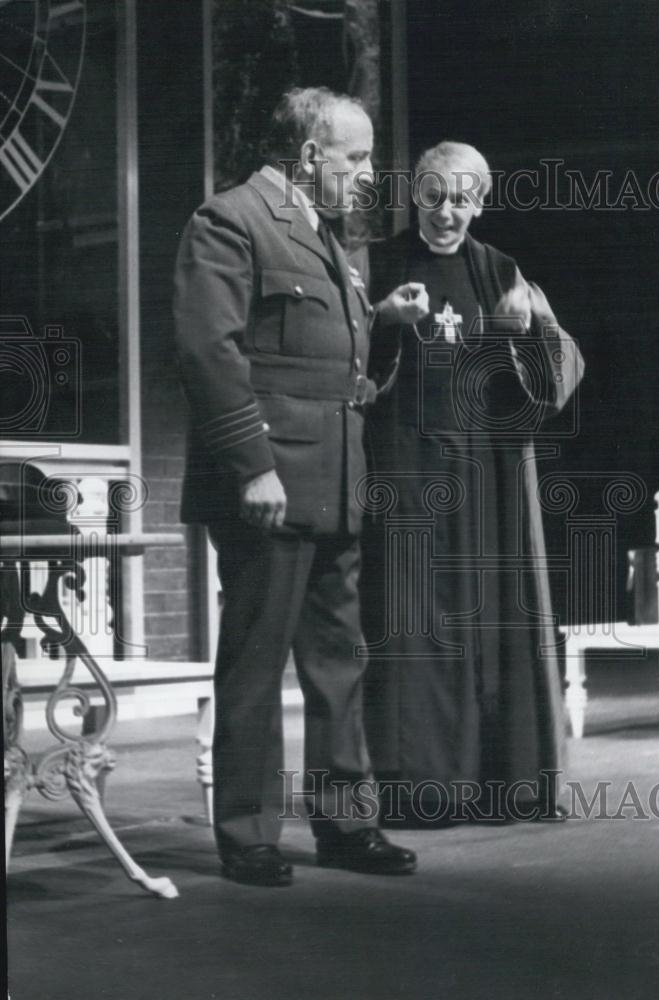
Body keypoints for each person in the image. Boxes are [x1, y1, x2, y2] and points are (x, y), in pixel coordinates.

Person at [173, 87, 428, 885]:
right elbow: (210, 354)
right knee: (255, 663)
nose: (364, 176)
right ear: (311, 154)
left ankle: (347, 825)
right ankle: (248, 833)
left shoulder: (331, 242)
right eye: (355, 159)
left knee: (338, 662)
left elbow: (331, 363)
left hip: (336, 479)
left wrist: (381, 320)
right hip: (271, 482)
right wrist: (252, 466)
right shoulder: (231, 219)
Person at [361, 141, 585, 824]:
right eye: (434, 194)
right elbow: (342, 359)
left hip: (486, 478)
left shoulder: (501, 272)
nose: (447, 211)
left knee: (492, 625)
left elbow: (563, 367)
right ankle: (421, 792)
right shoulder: (375, 264)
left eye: (462, 198)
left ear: (481, 202)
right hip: (403, 476)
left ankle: (504, 785)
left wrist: (516, 335)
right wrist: (380, 320)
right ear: (414, 195)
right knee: (413, 632)